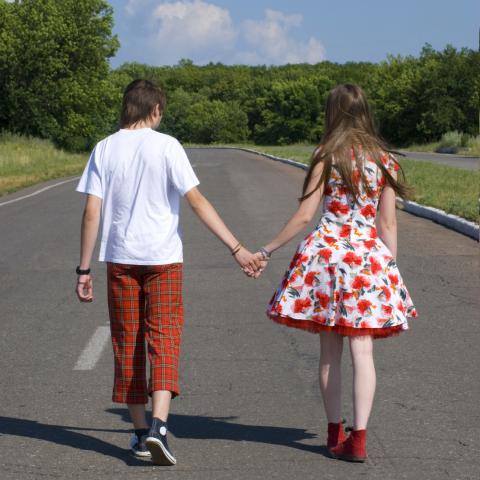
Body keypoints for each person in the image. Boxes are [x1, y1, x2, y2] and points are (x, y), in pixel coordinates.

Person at [75, 79, 261, 465]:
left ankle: (141, 433)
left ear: (127, 107)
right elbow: (196, 201)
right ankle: (160, 427)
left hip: (121, 261)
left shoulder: (104, 148)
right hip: (163, 260)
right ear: (155, 109)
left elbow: (92, 211)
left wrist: (83, 268)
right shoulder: (168, 146)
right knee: (165, 339)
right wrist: (237, 248)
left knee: (128, 343)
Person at [255, 84, 418, 463]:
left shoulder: (325, 155)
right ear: (364, 112)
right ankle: (358, 438)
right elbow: (388, 223)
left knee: (329, 351)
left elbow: (304, 215)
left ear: (334, 113)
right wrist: (389, 273)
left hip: (327, 258)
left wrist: (266, 249)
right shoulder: (384, 160)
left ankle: (333, 433)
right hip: (366, 258)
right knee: (363, 351)